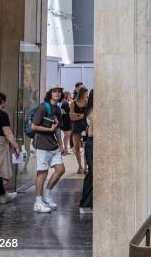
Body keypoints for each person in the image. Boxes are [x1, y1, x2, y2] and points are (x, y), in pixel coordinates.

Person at [31, 85, 66, 213]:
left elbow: (57, 128)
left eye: (59, 92)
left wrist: (61, 145)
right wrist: (49, 129)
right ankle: (38, 202)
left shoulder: (57, 109)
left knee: (60, 169)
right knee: (42, 173)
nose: (57, 93)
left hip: (53, 145)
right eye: (54, 91)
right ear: (50, 93)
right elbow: (34, 126)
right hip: (41, 144)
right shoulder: (43, 107)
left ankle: (46, 194)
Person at [79, 89, 93, 214]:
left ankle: (87, 204)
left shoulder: (90, 111)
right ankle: (85, 204)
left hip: (90, 144)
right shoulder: (93, 112)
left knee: (92, 174)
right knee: (92, 174)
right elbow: (91, 133)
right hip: (92, 144)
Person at [70, 87, 88, 174]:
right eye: (86, 94)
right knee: (77, 148)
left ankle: (86, 166)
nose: (87, 95)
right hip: (76, 127)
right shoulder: (73, 103)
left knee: (86, 148)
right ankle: (80, 166)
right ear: (82, 94)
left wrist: (77, 115)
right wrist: (82, 115)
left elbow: (88, 115)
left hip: (85, 127)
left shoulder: (87, 103)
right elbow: (71, 116)